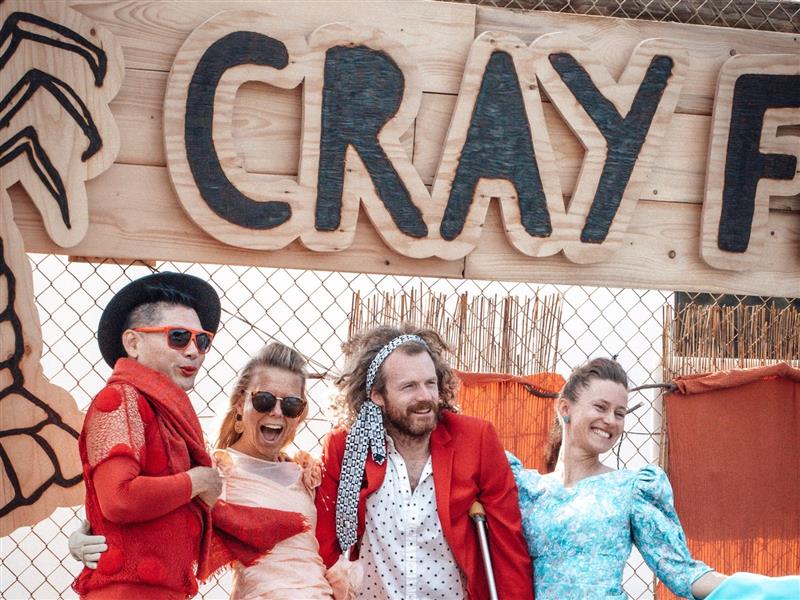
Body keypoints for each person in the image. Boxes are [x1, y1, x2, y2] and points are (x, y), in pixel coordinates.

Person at [71, 272, 305, 599]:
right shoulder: (122, 398)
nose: (194, 351)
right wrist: (196, 481)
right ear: (133, 343)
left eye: (202, 340)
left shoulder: (166, 414)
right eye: (178, 337)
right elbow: (119, 498)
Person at [509, 357, 800, 600]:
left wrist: (780, 590)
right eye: (600, 407)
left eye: (619, 413)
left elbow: (682, 572)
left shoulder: (632, 488)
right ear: (565, 408)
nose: (611, 420)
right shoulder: (526, 488)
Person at [315, 325, 534, 599]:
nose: (425, 397)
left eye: (430, 383)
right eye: (409, 386)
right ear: (377, 395)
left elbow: (508, 546)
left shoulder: (476, 440)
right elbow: (325, 546)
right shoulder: (347, 448)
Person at [213, 341, 361, 599]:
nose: (277, 412)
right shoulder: (220, 471)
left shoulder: (306, 473)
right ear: (240, 403)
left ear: (300, 413)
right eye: (264, 400)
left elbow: (323, 552)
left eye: (291, 404)